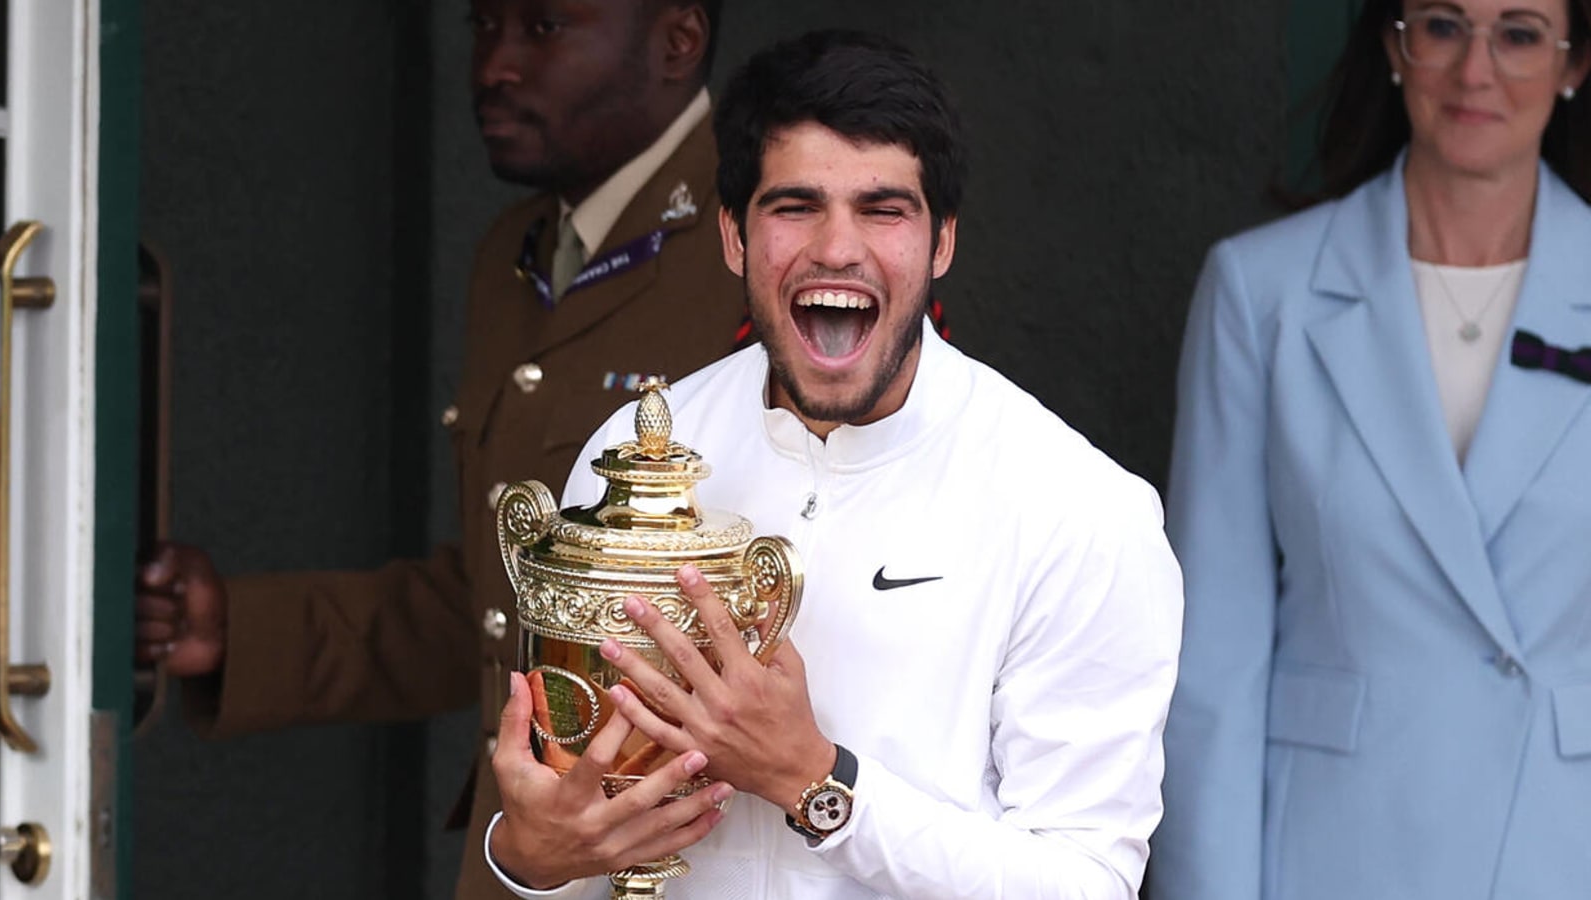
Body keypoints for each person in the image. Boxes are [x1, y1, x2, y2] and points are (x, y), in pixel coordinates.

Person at [483, 29, 1184, 899]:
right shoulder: (627, 462)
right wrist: (529, 859)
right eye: (796, 206)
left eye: (883, 209)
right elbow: (576, 829)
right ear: (735, 236)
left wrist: (817, 782)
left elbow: (1085, 883)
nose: (838, 248)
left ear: (943, 244)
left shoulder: (1078, 508)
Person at [133, 2, 747, 897]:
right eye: (483, 27)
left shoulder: (763, 234)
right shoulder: (520, 253)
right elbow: (502, 605)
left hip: (686, 858)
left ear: (676, 41)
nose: (493, 65)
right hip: (525, 857)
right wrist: (238, 630)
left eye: (541, 29)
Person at [1149, 1, 1591, 898]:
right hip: (1331, 849)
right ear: (1395, 44)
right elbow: (1213, 666)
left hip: (1562, 843)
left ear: (1574, 62)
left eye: (1517, 33)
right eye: (1442, 26)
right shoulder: (1261, 292)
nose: (1475, 72)